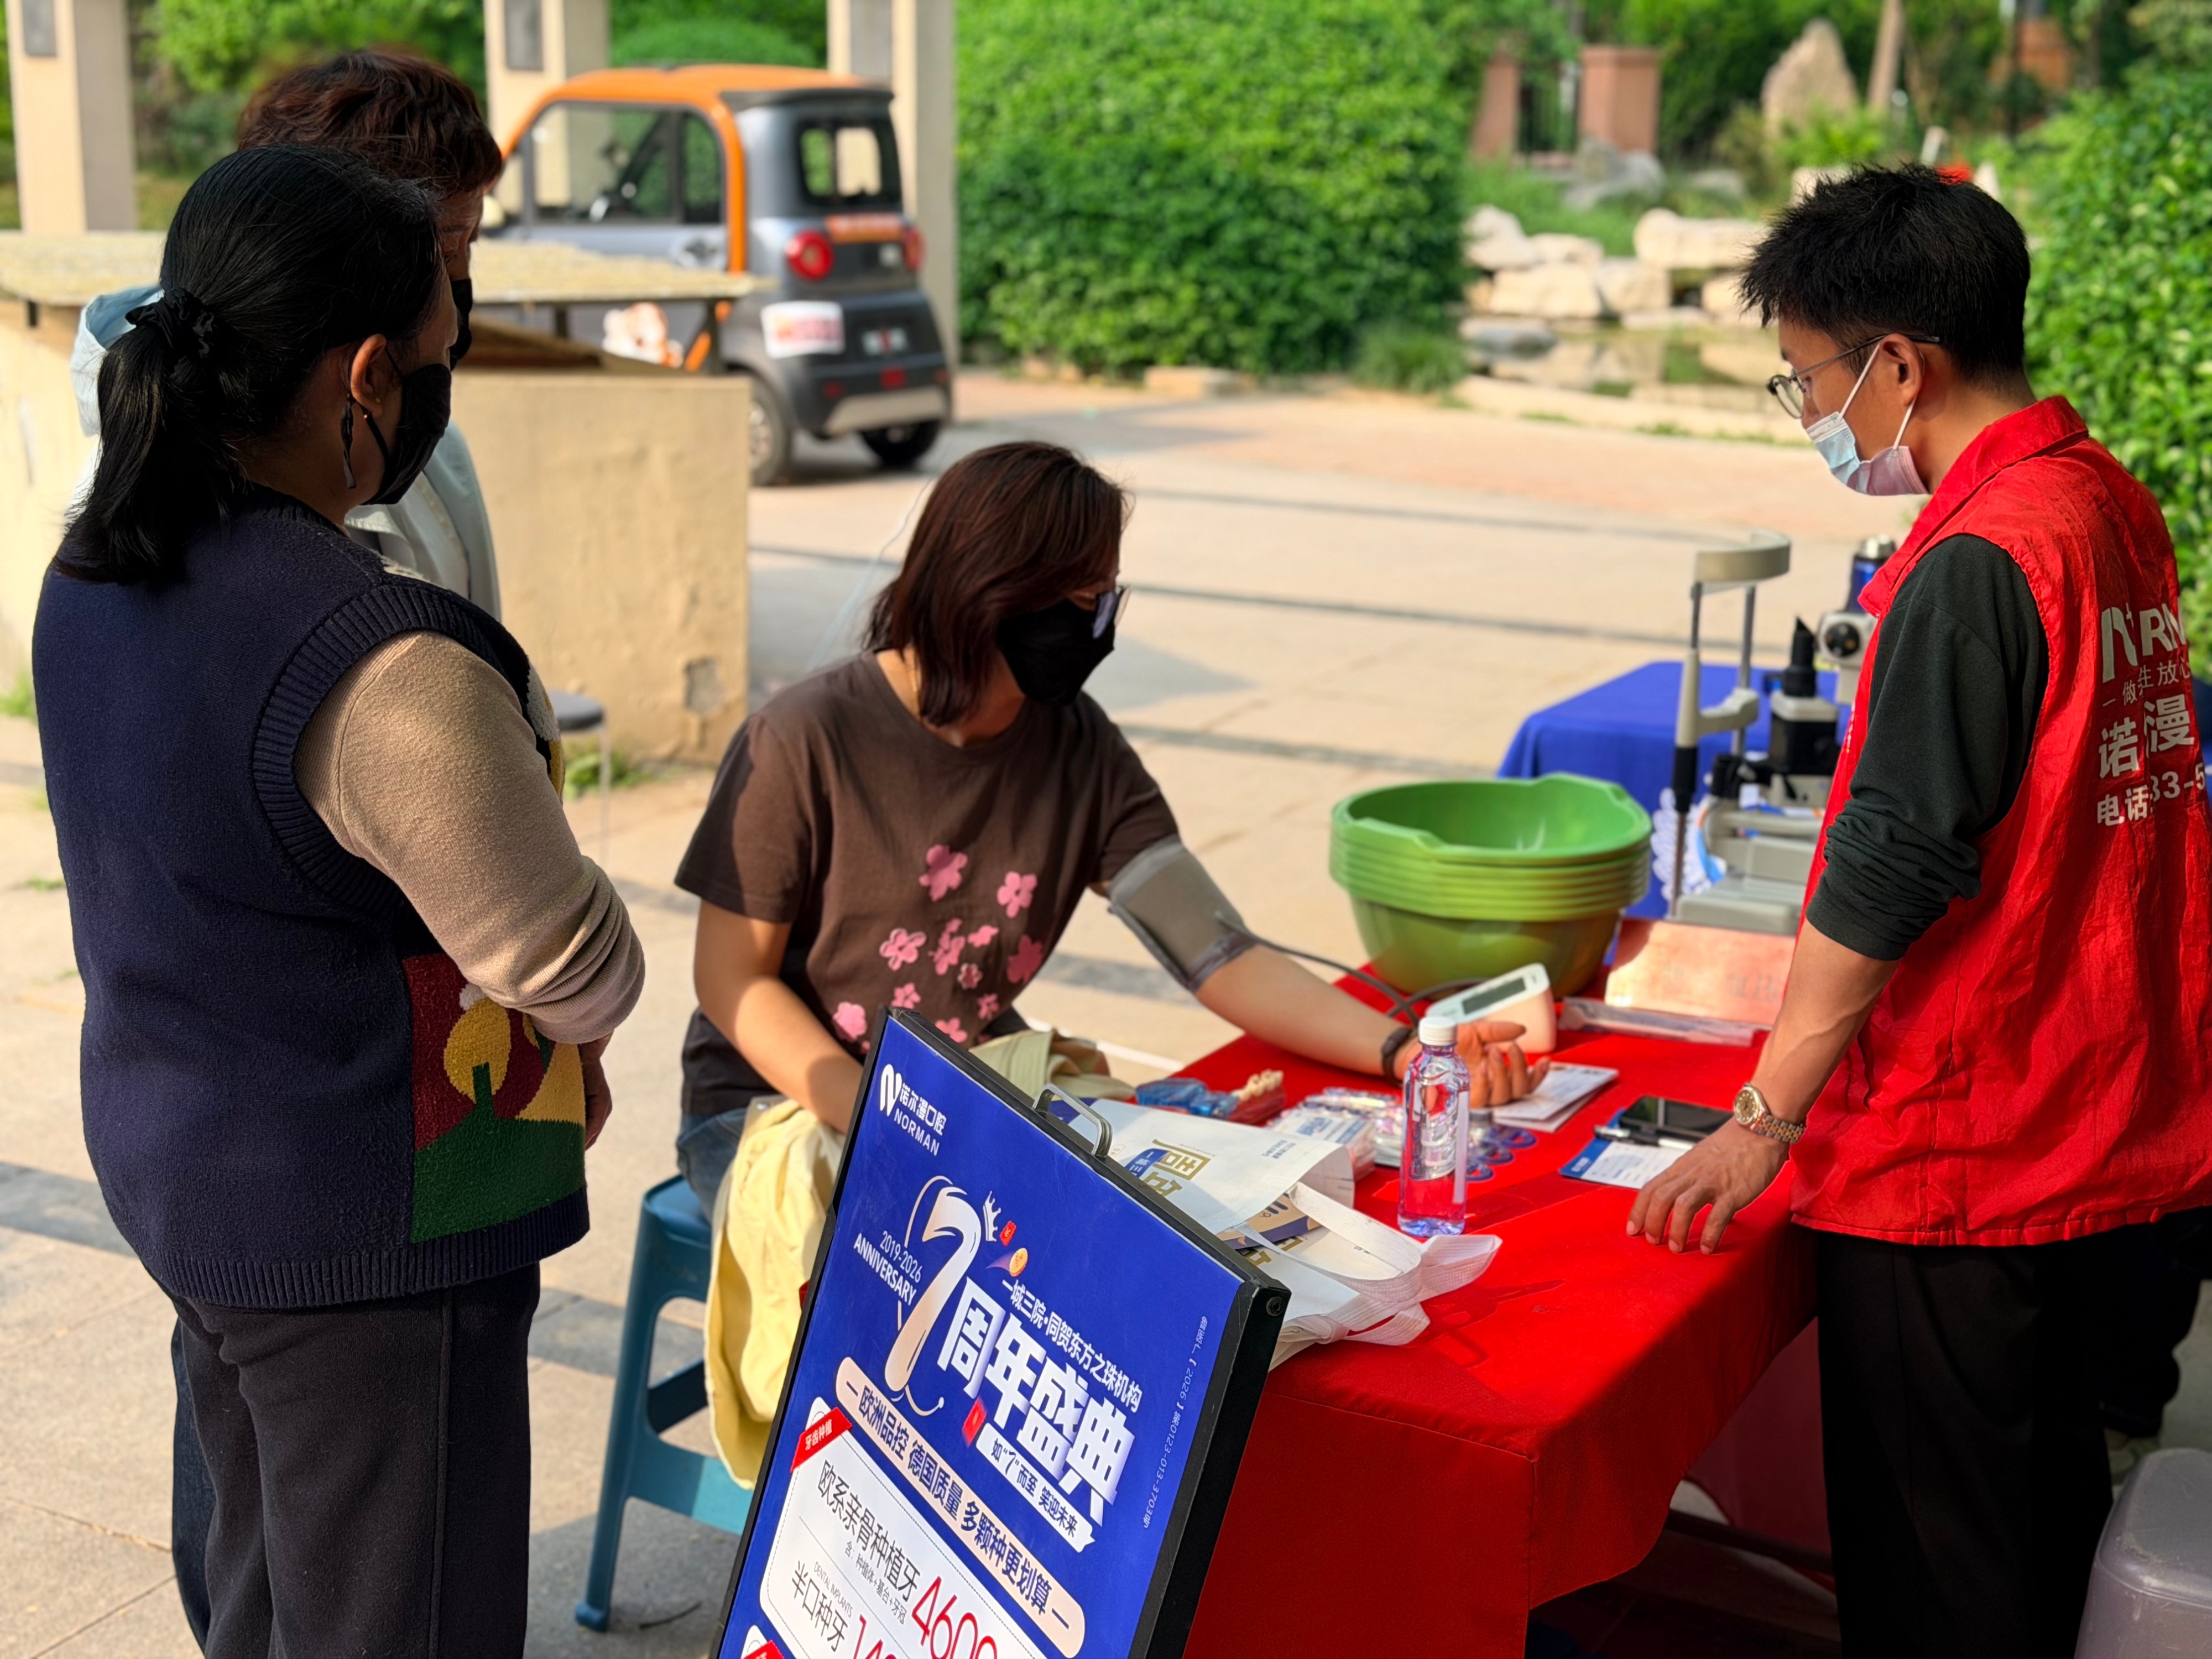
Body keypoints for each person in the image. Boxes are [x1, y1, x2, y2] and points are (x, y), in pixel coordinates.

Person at [34, 144, 641, 1657]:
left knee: (262, 1596)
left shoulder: (96, 566)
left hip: (192, 1179)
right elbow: (575, 966)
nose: (437, 388)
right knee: (398, 1620)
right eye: (437, 351)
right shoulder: (384, 668)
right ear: (367, 375)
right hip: (371, 1236)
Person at [1626, 165, 2212, 1657]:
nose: (1812, 412)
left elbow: (1894, 858)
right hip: (2088, 1105)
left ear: (1899, 364)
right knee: (2032, 1518)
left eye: (1808, 377)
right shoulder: (2102, 499)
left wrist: (1763, 1115)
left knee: (1938, 1574)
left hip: (1965, 1146)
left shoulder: (1977, 560)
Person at [672, 439, 1542, 1212]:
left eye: (1104, 599)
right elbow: (731, 981)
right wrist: (889, 1115)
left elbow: (1219, 953)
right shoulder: (806, 738)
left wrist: (1403, 1052)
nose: (1097, 626)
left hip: (966, 1089)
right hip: (774, 1104)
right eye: (1079, 601)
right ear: (988, 593)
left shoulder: (1078, 746)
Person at [70, 48, 505, 612]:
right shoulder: (144, 511)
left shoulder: (429, 446)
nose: (456, 286)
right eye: (442, 251)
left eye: (470, 244)